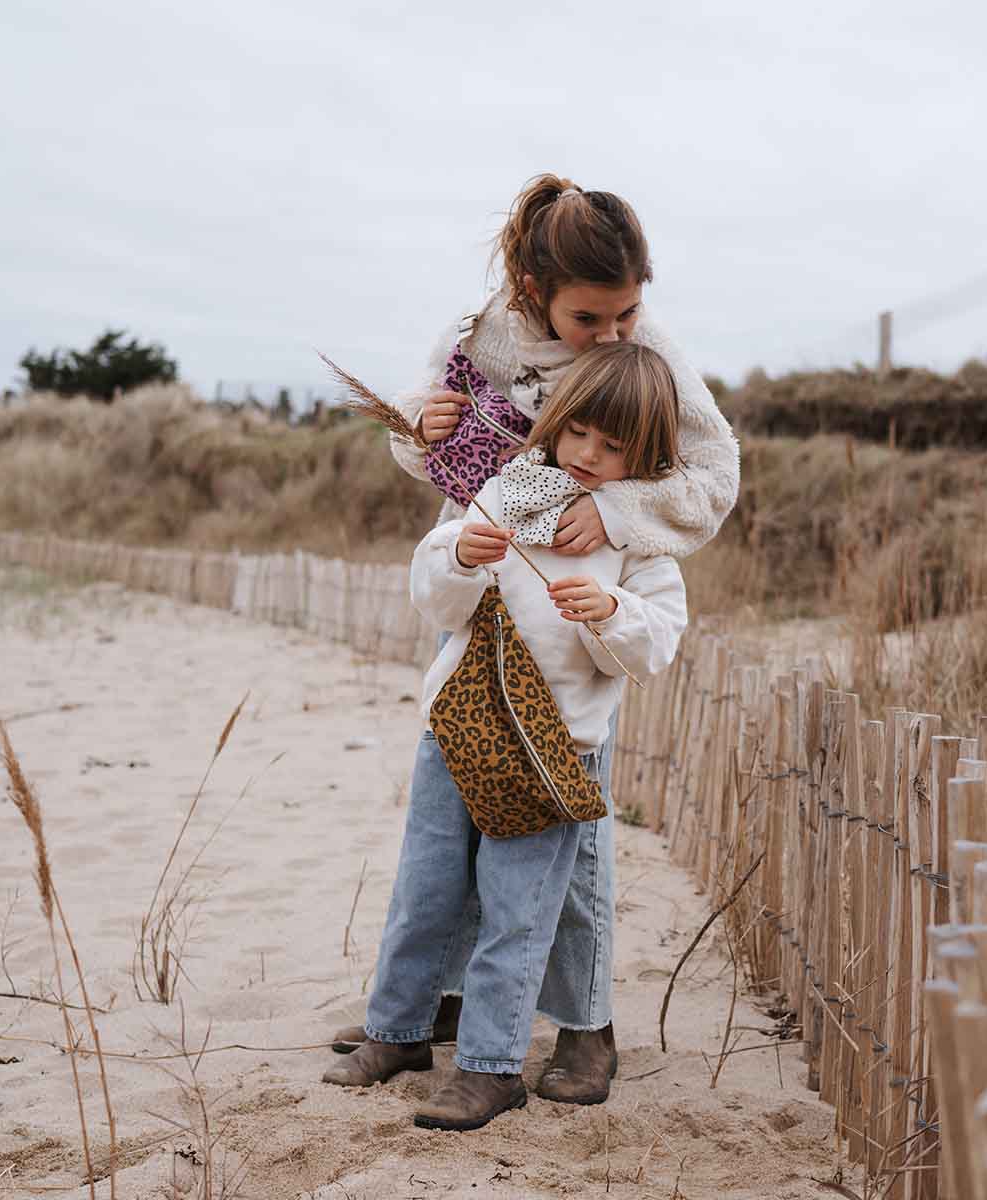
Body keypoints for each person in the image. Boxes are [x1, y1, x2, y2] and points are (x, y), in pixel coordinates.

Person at [326, 173, 740, 1106]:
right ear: (531, 289)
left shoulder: (647, 356)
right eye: (590, 318)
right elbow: (440, 451)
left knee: (567, 845)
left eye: (628, 313)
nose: (613, 335)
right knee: (450, 842)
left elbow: (714, 476)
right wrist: (417, 427)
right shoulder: (478, 335)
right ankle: (432, 1006)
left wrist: (617, 511)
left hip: (581, 616)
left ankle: (587, 1030)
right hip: (485, 590)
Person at [325, 342, 689, 1130]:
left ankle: (490, 1067)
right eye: (578, 432)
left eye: (612, 446)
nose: (587, 455)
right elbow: (436, 599)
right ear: (555, 423)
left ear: (646, 457)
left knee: (515, 910)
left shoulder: (639, 535)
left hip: (551, 751)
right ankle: (398, 1032)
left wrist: (612, 614)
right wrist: (459, 555)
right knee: (425, 889)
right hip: (456, 728)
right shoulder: (508, 489)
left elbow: (658, 639)